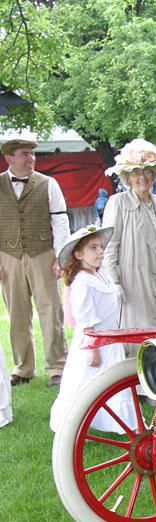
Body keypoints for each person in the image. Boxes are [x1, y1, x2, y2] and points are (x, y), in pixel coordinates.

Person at [49, 225, 137, 434]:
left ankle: (124, 423)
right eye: (93, 248)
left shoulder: (102, 274)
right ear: (79, 255)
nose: (100, 252)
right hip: (94, 341)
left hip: (109, 338)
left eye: (100, 247)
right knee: (83, 383)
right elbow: (86, 319)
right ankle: (70, 424)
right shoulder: (82, 282)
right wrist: (93, 349)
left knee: (113, 382)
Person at [101, 139, 156, 330]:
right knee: (136, 333)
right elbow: (109, 246)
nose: (143, 177)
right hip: (132, 282)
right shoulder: (118, 203)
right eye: (136, 172)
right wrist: (114, 282)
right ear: (128, 178)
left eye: (147, 171)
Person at [1, 138, 69, 387]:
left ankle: (57, 367)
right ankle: (23, 367)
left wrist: (61, 256)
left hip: (43, 253)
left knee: (51, 310)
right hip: (8, 255)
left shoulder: (49, 183)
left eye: (33, 154)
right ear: (9, 158)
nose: (31, 159)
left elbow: (60, 221)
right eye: (24, 154)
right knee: (17, 313)